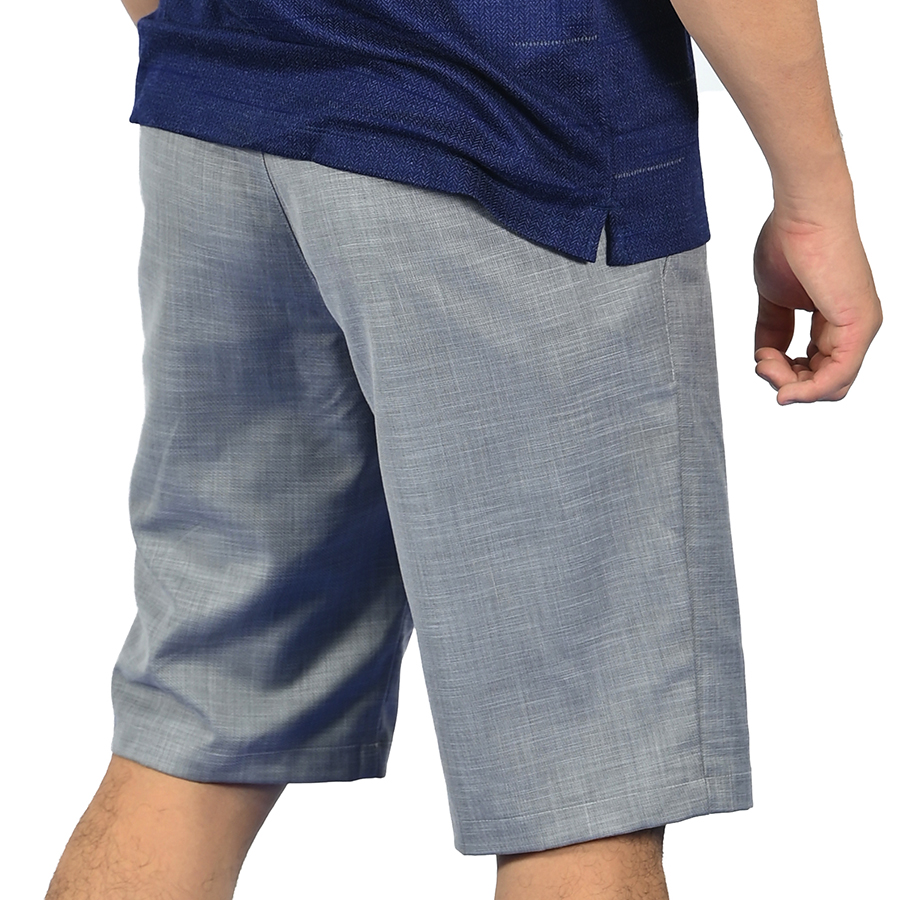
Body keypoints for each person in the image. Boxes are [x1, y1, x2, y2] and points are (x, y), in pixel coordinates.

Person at [46, 0, 881, 897]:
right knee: (580, 780)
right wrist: (815, 203)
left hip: (220, 115)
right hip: (510, 139)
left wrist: (216, 41)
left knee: (202, 714)